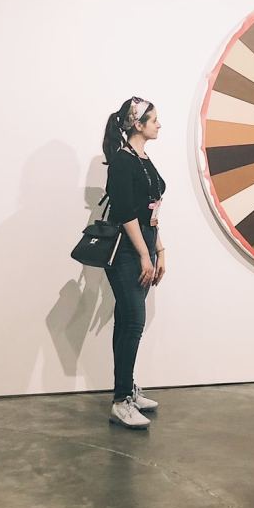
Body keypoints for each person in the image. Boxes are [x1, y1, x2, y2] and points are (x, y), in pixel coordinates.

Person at [100, 96, 167, 429]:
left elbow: (150, 209)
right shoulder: (123, 161)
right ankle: (121, 400)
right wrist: (144, 254)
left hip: (144, 244)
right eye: (153, 119)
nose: (158, 124)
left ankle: (125, 389)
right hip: (127, 251)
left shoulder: (143, 159)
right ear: (137, 124)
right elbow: (125, 213)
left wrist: (160, 250)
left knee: (126, 321)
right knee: (134, 322)